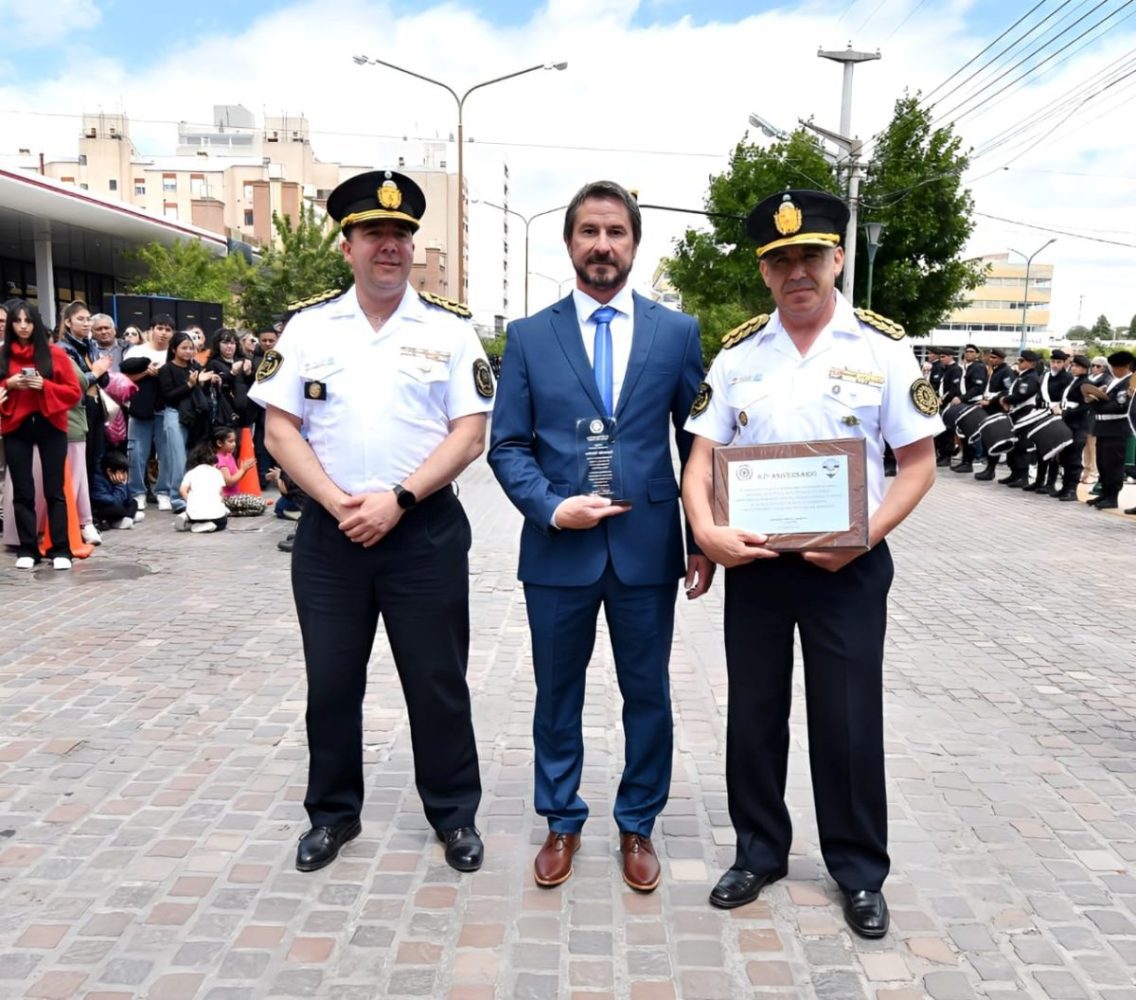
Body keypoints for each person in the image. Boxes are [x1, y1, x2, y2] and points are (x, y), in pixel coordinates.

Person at [680, 189, 940, 936]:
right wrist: (706, 531)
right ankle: (758, 851)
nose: (796, 270)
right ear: (765, 271)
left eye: (808, 256)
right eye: (779, 259)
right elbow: (701, 459)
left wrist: (861, 537)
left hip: (848, 568)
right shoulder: (738, 355)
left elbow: (919, 466)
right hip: (756, 564)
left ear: (837, 259)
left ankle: (858, 870)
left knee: (848, 718)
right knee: (754, 715)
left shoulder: (883, 350)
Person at [250, 170, 491, 875]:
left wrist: (399, 499)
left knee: (436, 682)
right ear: (347, 245)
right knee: (331, 683)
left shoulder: (448, 329)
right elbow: (280, 428)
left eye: (401, 236)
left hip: (424, 533)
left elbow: (468, 432)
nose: (389, 246)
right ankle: (332, 815)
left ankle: (454, 817)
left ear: (412, 247)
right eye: (374, 235)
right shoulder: (308, 327)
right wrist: (334, 500)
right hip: (332, 536)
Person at [488, 180, 711, 894]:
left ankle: (638, 821)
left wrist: (701, 536)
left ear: (636, 244)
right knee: (559, 693)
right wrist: (552, 508)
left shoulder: (677, 333)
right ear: (570, 243)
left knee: (647, 693)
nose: (603, 245)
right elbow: (508, 446)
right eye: (590, 231)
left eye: (616, 232)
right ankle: (561, 819)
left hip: (647, 548)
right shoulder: (528, 337)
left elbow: (696, 442)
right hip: (559, 550)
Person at [0, 300, 83, 569]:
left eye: (28, 320)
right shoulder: (3, 355)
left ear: (36, 323)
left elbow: (73, 393)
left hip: (50, 425)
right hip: (16, 427)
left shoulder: (54, 354)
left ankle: (61, 549)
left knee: (54, 489)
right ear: (11, 325)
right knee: (22, 490)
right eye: (17, 321)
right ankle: (27, 548)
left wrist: (44, 385)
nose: (23, 326)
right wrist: (9, 384)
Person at [158, 330, 221, 512]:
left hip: (196, 416)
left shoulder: (195, 366)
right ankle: (177, 499)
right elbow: (168, 396)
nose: (188, 352)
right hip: (174, 414)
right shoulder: (166, 369)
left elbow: (201, 393)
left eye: (191, 348)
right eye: (184, 348)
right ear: (173, 349)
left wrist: (208, 381)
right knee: (178, 459)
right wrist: (189, 384)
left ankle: (194, 495)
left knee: (194, 457)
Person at [121, 315, 175, 510]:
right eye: (160, 328)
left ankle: (164, 491)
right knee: (136, 452)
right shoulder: (137, 351)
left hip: (165, 408)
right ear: (151, 329)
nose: (163, 333)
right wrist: (146, 372)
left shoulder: (173, 352)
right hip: (139, 408)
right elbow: (124, 377)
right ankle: (137, 492)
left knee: (167, 452)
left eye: (168, 329)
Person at [1081, 350, 1133, 511]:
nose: (1112, 370)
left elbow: (1119, 405)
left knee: (1113, 464)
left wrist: (1098, 402)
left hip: (1116, 429)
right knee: (1103, 463)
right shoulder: (1115, 382)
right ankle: (1105, 493)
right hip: (1103, 428)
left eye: (1115, 367)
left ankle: (1112, 497)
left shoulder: (1129, 383)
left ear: (1124, 367)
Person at [1028, 349, 1072, 494]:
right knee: (1041, 448)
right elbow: (1040, 394)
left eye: (1058, 362)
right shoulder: (1046, 375)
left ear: (1064, 363)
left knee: (1053, 451)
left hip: (1057, 415)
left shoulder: (1067, 378)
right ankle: (1039, 481)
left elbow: (1066, 398)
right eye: (1053, 362)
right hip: (1043, 413)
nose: (1055, 365)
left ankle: (1050, 483)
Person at [974, 347, 1014, 481]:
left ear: (1001, 359)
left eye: (994, 358)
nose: (991, 360)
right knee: (987, 438)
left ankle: (991, 469)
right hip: (988, 406)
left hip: (996, 408)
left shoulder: (1006, 371)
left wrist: (990, 401)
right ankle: (988, 468)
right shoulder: (994, 371)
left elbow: (1006, 391)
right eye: (990, 357)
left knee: (993, 439)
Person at [174, 440, 229, 533]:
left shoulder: (190, 473)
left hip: (195, 514)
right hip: (215, 516)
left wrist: (191, 502)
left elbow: (182, 490)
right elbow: (221, 494)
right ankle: (210, 525)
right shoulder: (217, 473)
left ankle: (187, 518)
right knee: (223, 522)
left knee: (193, 513)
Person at [949, 344, 987, 473]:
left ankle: (969, 461)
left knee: (969, 434)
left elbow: (977, 387)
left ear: (977, 354)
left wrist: (962, 398)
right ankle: (965, 461)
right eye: (966, 352)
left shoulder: (978, 367)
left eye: (971, 352)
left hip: (972, 403)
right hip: (966, 402)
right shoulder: (967, 367)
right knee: (963, 434)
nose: (968, 354)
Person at [211, 424, 264, 516]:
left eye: (234, 441)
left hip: (234, 495)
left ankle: (230, 510)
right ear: (219, 443)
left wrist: (244, 470)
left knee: (259, 502)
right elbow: (229, 482)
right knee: (260, 505)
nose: (234, 444)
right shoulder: (219, 459)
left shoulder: (229, 455)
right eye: (230, 441)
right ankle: (228, 511)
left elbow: (236, 477)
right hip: (226, 498)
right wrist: (243, 470)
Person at [91, 449, 142, 529]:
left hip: (116, 502)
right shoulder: (98, 480)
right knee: (118, 509)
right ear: (109, 471)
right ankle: (123, 519)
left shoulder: (118, 480)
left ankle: (125, 519)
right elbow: (113, 501)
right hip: (102, 508)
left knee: (134, 502)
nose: (124, 475)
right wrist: (120, 486)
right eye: (122, 472)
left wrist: (124, 485)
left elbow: (128, 499)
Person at [933, 346, 962, 466]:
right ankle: (942, 454)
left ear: (951, 357)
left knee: (947, 431)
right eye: (940, 357)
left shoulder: (955, 369)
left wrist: (943, 399)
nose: (941, 359)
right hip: (941, 402)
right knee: (941, 431)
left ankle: (947, 456)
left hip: (949, 402)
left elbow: (953, 388)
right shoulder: (945, 369)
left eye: (943, 356)